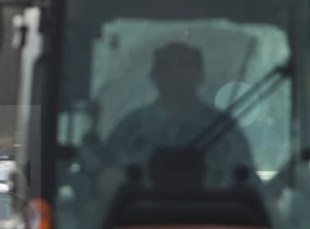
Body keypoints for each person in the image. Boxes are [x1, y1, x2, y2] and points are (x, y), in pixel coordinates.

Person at [103, 41, 257, 190]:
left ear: (200, 76)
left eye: (184, 65)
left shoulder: (224, 130)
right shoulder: (131, 129)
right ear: (153, 76)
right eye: (166, 66)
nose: (175, 73)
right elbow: (105, 176)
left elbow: (247, 182)